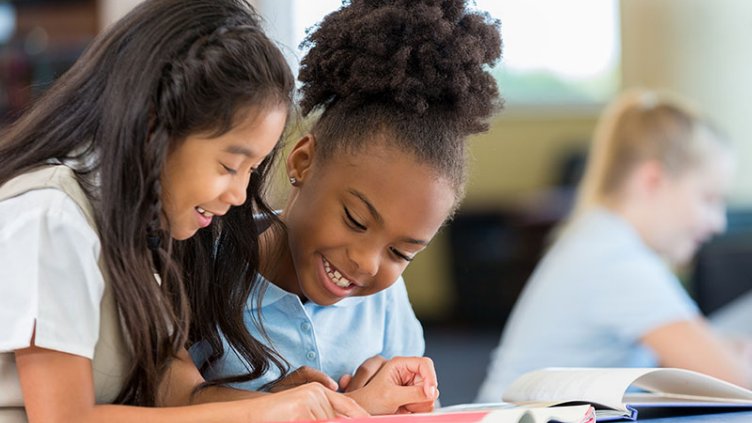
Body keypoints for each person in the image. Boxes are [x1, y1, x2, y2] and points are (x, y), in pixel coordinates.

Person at [0, 0, 370, 421]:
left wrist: (319, 406)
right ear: (155, 124)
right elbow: (65, 419)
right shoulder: (54, 216)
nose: (238, 194)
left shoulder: (139, 231)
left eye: (251, 170)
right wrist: (261, 413)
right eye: (229, 166)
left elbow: (180, 395)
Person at [189, 0, 503, 415]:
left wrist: (409, 405)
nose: (367, 263)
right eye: (356, 220)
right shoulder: (201, 265)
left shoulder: (386, 303)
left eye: (401, 252)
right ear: (303, 161)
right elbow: (162, 400)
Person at [476, 88, 752, 403]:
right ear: (652, 180)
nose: (719, 223)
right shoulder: (615, 261)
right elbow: (736, 382)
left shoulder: (600, 238)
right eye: (708, 199)